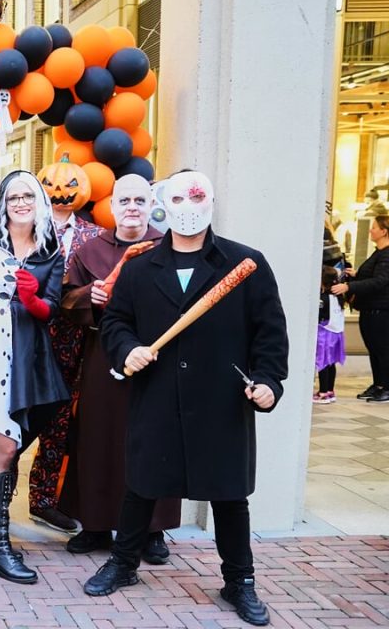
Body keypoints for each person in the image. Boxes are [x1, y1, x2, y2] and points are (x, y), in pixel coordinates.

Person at [87, 171, 288, 628]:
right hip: (156, 396)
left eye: (196, 195)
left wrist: (269, 382)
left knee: (230, 497)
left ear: (212, 200)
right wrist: (126, 348)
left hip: (221, 402)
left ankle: (240, 580)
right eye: (177, 196)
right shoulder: (141, 268)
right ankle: (123, 563)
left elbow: (270, 334)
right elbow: (116, 322)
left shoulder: (245, 264)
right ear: (164, 204)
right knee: (141, 487)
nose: (187, 204)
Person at [57, 175, 178, 560]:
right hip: (104, 355)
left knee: (153, 442)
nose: (131, 207)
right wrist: (85, 296)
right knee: (98, 439)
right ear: (112, 206)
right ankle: (94, 525)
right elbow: (66, 299)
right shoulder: (91, 251)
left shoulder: (170, 247)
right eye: (124, 200)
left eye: (140, 201)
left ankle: (152, 531)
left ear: (150, 205)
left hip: (156, 357)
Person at [0, 170, 69, 585]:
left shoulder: (49, 252)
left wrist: (31, 298)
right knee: (3, 446)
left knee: (9, 446)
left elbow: (52, 308)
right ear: (1, 204)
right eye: (12, 197)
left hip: (27, 360)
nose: (21, 202)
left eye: (28, 196)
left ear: (40, 202)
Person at [26, 159, 105, 536]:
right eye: (51, 184)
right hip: (29, 338)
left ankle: (43, 500)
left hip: (74, 341)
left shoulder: (95, 235)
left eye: (70, 183)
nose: (60, 190)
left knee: (59, 423)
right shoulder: (27, 230)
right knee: (16, 425)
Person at [331, 205, 389, 402]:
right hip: (369, 309)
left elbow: (380, 281)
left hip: (380, 310)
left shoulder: (387, 254)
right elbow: (373, 274)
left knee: (381, 349)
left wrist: (349, 287)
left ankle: (386, 386)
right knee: (373, 348)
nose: (371, 230)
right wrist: (356, 274)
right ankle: (378, 384)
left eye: (374, 227)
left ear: (384, 231)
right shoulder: (378, 253)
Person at [314, 266, 346, 403]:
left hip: (324, 333)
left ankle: (323, 393)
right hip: (336, 333)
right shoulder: (338, 297)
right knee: (331, 363)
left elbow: (319, 315)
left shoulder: (323, 298)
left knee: (323, 362)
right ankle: (329, 390)